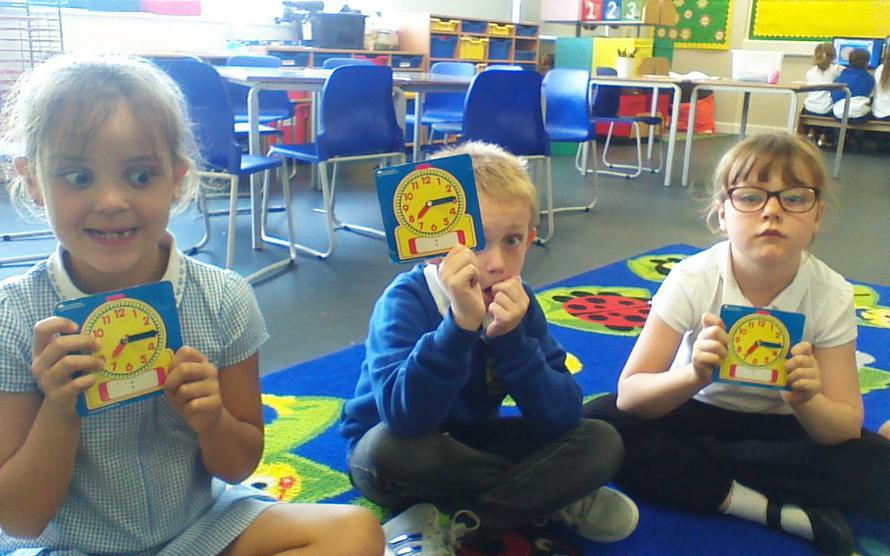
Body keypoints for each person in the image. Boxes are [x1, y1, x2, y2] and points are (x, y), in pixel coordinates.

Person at [0, 54, 383, 555]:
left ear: (177, 178)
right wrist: (59, 408)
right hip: (76, 544)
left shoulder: (222, 299)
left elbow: (239, 466)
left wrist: (211, 419)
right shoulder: (15, 316)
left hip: (201, 529)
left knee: (355, 532)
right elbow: (22, 519)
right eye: (77, 176)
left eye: (140, 176)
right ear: (32, 180)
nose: (112, 200)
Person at [585, 132, 890, 555]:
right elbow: (631, 395)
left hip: (784, 426)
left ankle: (712, 478)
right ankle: (768, 509)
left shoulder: (831, 293)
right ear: (722, 213)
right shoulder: (692, 278)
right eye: (750, 197)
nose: (772, 211)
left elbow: (842, 427)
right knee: (597, 425)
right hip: (694, 411)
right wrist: (693, 376)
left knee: (877, 469)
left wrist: (806, 399)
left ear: (817, 216)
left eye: (794, 198)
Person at [340, 141, 638, 554]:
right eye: (476, 242)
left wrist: (511, 340)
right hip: (404, 450)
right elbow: (405, 418)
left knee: (601, 439)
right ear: (433, 244)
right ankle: (543, 494)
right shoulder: (404, 301)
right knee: (382, 452)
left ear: (530, 239)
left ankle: (466, 521)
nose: (496, 263)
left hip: (474, 445)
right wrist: (459, 327)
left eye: (512, 240)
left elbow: (563, 415)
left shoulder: (519, 302)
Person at [830, 48, 876, 149]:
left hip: (839, 114)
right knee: (868, 110)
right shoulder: (869, 79)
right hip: (859, 117)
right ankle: (857, 139)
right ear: (867, 62)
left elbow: (834, 95)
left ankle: (838, 139)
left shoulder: (840, 76)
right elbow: (871, 97)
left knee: (843, 109)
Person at [802, 43, 842, 147]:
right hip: (826, 110)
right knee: (833, 106)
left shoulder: (810, 72)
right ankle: (823, 137)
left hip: (809, 109)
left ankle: (811, 132)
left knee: (808, 106)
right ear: (833, 56)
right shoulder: (836, 70)